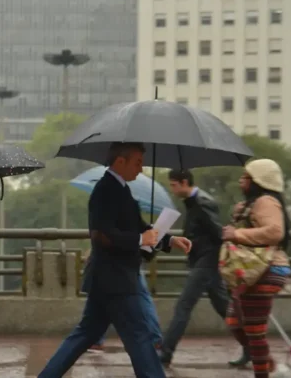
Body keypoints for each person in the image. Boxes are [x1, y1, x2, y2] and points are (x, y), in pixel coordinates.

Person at [37, 142, 192, 378]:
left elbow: (139, 228)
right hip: (116, 278)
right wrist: (141, 238)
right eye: (137, 163)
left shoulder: (121, 189)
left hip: (108, 278)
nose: (140, 169)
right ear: (120, 161)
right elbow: (102, 235)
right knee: (139, 335)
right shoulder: (105, 190)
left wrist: (169, 241)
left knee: (86, 333)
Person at [223, 159, 291, 378]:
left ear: (258, 180)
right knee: (236, 323)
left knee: (253, 330)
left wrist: (237, 234)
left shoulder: (266, 202)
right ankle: (267, 362)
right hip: (252, 271)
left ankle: (263, 371)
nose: (241, 181)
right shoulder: (254, 203)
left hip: (266, 270)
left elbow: (274, 232)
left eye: (245, 177)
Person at [158, 169, 229, 365]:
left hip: (206, 262)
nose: (172, 189)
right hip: (202, 261)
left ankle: (166, 352)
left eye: (173, 185)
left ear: (184, 182)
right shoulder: (192, 203)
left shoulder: (203, 202)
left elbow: (217, 234)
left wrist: (201, 251)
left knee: (184, 305)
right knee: (224, 307)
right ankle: (252, 345)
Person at [84, 251, 163, 353]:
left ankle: (95, 339)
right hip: (129, 251)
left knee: (103, 293)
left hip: (119, 252)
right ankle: (154, 338)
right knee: (141, 294)